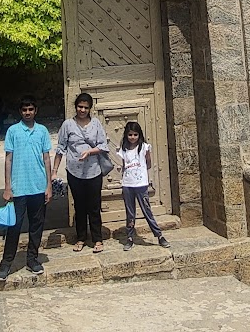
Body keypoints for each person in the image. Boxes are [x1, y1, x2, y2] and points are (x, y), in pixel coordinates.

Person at [0, 98, 52, 280]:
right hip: (19, 187)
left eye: (30, 109)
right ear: (20, 112)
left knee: (37, 226)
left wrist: (48, 185)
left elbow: (46, 159)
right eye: (24, 110)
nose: (27, 112)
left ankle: (32, 259)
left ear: (35, 110)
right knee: (14, 226)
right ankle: (6, 264)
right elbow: (8, 159)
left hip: (38, 186)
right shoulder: (13, 131)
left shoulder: (42, 131)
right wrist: (7, 187)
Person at [54, 92, 110, 252]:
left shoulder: (96, 124)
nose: (82, 110)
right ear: (75, 107)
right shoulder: (67, 125)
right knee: (79, 207)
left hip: (94, 171)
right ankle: (81, 238)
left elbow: (103, 145)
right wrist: (54, 171)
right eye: (80, 106)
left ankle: (97, 239)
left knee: (94, 206)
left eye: (85, 107)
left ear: (90, 108)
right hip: (74, 172)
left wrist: (90, 152)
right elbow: (60, 148)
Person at [115, 120, 168, 250]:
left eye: (135, 135)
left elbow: (148, 162)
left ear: (139, 135)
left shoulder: (144, 147)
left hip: (141, 184)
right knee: (130, 213)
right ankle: (130, 237)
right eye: (130, 135)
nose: (133, 137)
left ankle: (159, 235)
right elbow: (123, 164)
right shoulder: (124, 149)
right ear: (126, 135)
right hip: (128, 184)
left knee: (147, 210)